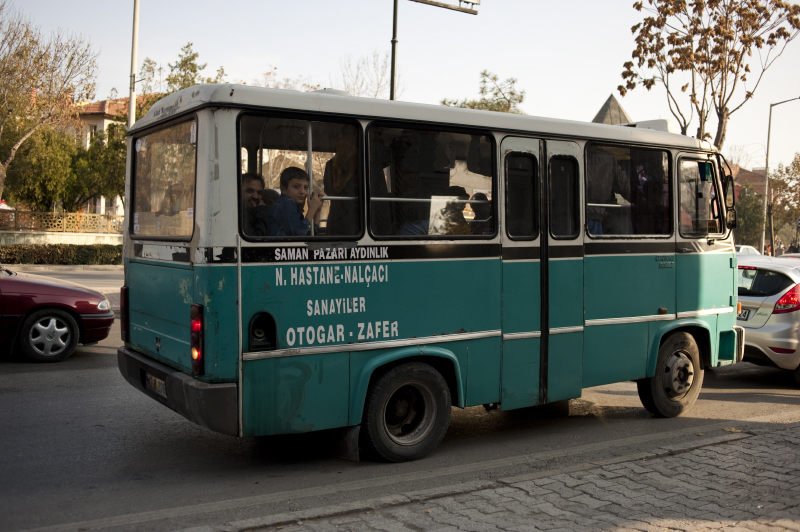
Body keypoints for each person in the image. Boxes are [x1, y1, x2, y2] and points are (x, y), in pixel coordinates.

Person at [269, 167, 325, 237]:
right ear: (283, 189)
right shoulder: (286, 203)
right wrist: (312, 209)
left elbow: (310, 235)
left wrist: (317, 210)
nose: (302, 192)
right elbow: (299, 235)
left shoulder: (295, 205)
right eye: (296, 187)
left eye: (305, 188)